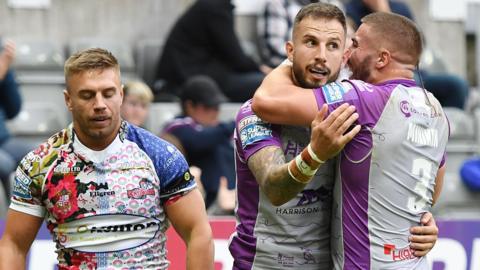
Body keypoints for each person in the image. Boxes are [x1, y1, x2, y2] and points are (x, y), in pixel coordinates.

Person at [230, 4, 439, 269]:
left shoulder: (352, 109)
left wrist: (421, 221)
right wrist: (315, 154)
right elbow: (274, 188)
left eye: (332, 46)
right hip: (264, 264)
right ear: (290, 52)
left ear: (344, 56)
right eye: (310, 42)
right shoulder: (255, 112)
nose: (321, 56)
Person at [0, 48, 214, 269]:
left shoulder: (160, 156)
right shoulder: (39, 164)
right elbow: (14, 245)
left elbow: (198, 232)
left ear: (121, 95)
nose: (100, 104)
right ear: (68, 99)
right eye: (87, 95)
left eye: (108, 93)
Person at [345, 0, 469, 109]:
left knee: (457, 85)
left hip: (413, 73)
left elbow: (419, 44)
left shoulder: (400, 8)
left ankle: (441, 128)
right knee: (410, 88)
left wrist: (383, 10)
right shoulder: (350, 9)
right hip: (383, 74)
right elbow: (352, 43)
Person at [155, 0, 271, 102]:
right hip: (190, 77)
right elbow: (236, 57)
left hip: (197, 72)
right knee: (266, 83)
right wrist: (262, 69)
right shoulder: (215, 6)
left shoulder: (212, 4)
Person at [161, 75, 236, 211]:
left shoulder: (217, 130)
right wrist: (238, 122)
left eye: (217, 106)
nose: (215, 112)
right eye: (208, 106)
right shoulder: (177, 126)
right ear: (190, 106)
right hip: (201, 205)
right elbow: (199, 140)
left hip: (232, 198)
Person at [257, 0, 344, 68]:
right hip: (283, 65)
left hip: (326, 67)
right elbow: (274, 47)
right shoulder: (278, 4)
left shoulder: (333, 4)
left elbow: (345, 41)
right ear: (290, 49)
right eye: (311, 43)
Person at [0, 39, 36, 199]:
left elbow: (13, 110)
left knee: (40, 157)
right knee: (4, 164)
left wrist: (6, 73)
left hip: (3, 141)